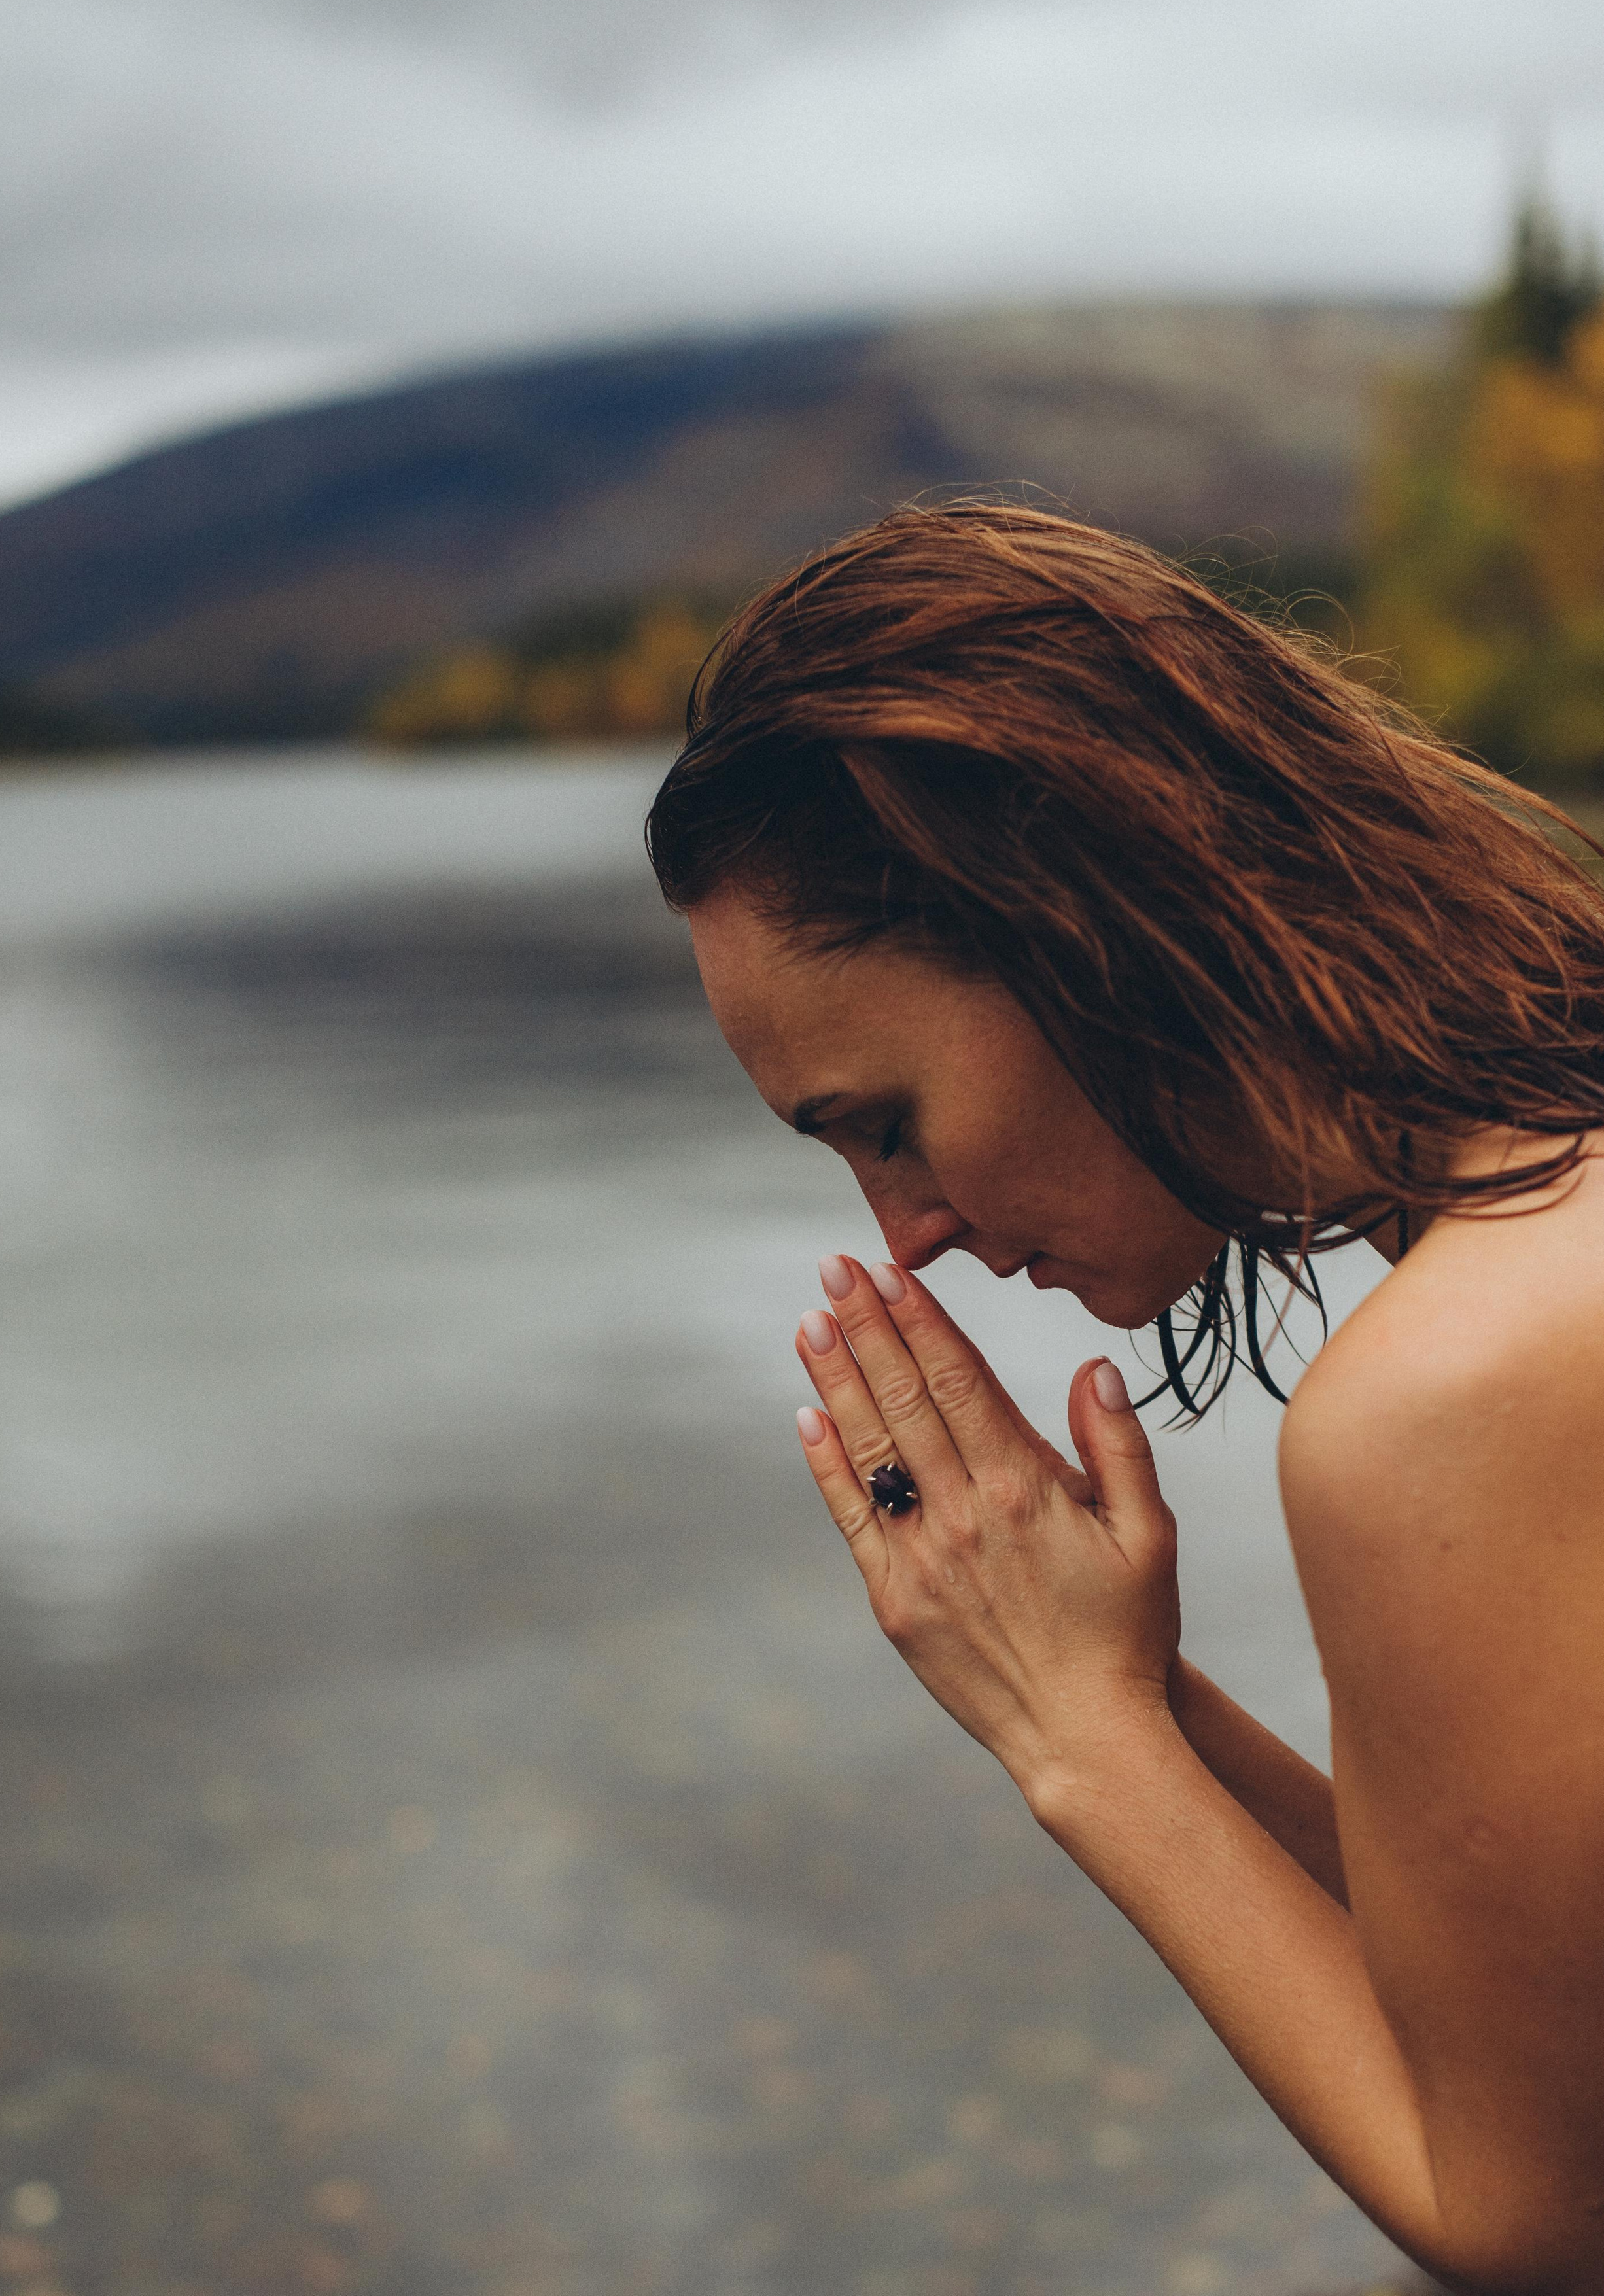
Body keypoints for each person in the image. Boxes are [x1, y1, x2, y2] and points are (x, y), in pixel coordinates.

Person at [644, 502, 1604, 2293]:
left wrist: (1070, 1739)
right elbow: (1536, 2007)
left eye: (885, 1120)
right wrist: (1139, 1690)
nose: (906, 1236)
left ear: (1076, 918)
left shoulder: (1452, 1385)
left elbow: (1546, 2215)